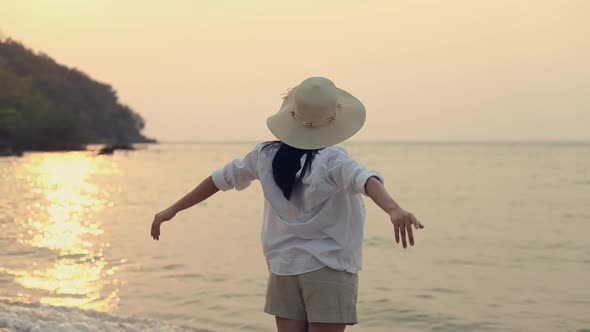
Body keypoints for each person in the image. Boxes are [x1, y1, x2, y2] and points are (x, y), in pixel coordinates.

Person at [151, 77, 425, 332]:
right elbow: (365, 180)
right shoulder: (333, 159)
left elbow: (218, 180)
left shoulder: (264, 155)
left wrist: (173, 208)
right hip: (328, 268)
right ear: (335, 120)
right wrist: (393, 208)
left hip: (284, 267)